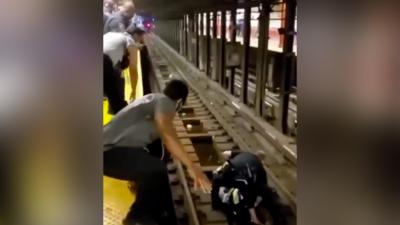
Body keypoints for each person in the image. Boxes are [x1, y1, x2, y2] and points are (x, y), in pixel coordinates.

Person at [103, 79, 212, 225]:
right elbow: (167, 133)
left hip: (108, 150)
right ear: (179, 102)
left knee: (153, 166)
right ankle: (136, 217)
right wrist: (192, 167)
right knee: (157, 170)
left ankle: (157, 214)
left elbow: (168, 137)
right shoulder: (165, 102)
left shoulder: (152, 99)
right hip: (108, 152)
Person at [211, 150, 289, 225]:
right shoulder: (255, 169)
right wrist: (254, 216)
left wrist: (229, 154)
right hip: (235, 176)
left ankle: (216, 206)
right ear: (260, 160)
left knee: (220, 188)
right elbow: (249, 194)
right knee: (242, 200)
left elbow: (228, 153)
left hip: (225, 173)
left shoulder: (246, 154)